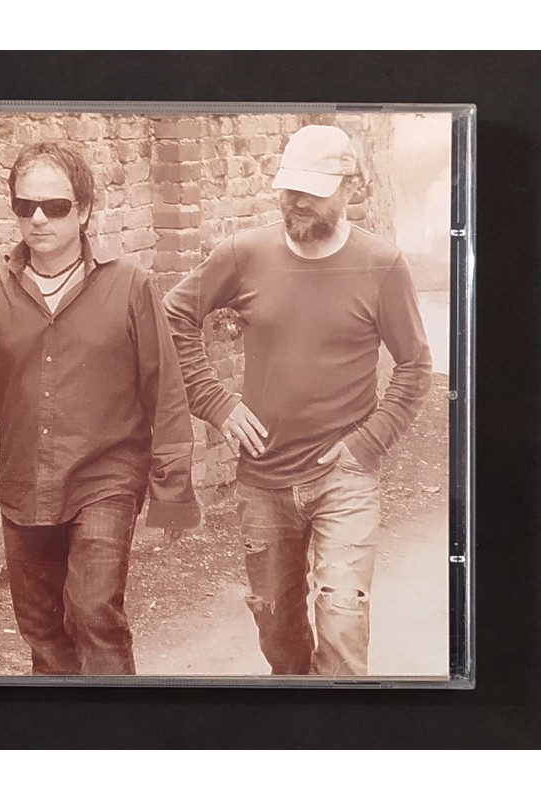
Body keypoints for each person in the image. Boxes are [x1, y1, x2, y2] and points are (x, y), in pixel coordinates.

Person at [0, 140, 200, 676]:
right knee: (43, 634)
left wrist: (172, 491)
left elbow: (165, 391)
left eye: (55, 206)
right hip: (23, 486)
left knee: (92, 612)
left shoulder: (130, 286)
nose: (38, 218)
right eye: (25, 206)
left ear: (84, 210)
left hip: (106, 478)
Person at [163, 124, 432, 677]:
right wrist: (215, 402)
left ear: (349, 188)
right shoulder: (244, 254)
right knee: (276, 625)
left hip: (344, 478)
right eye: (290, 190)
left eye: (313, 191)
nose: (298, 202)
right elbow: (173, 315)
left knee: (342, 617)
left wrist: (367, 443)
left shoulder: (381, 265)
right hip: (263, 478)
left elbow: (415, 366)